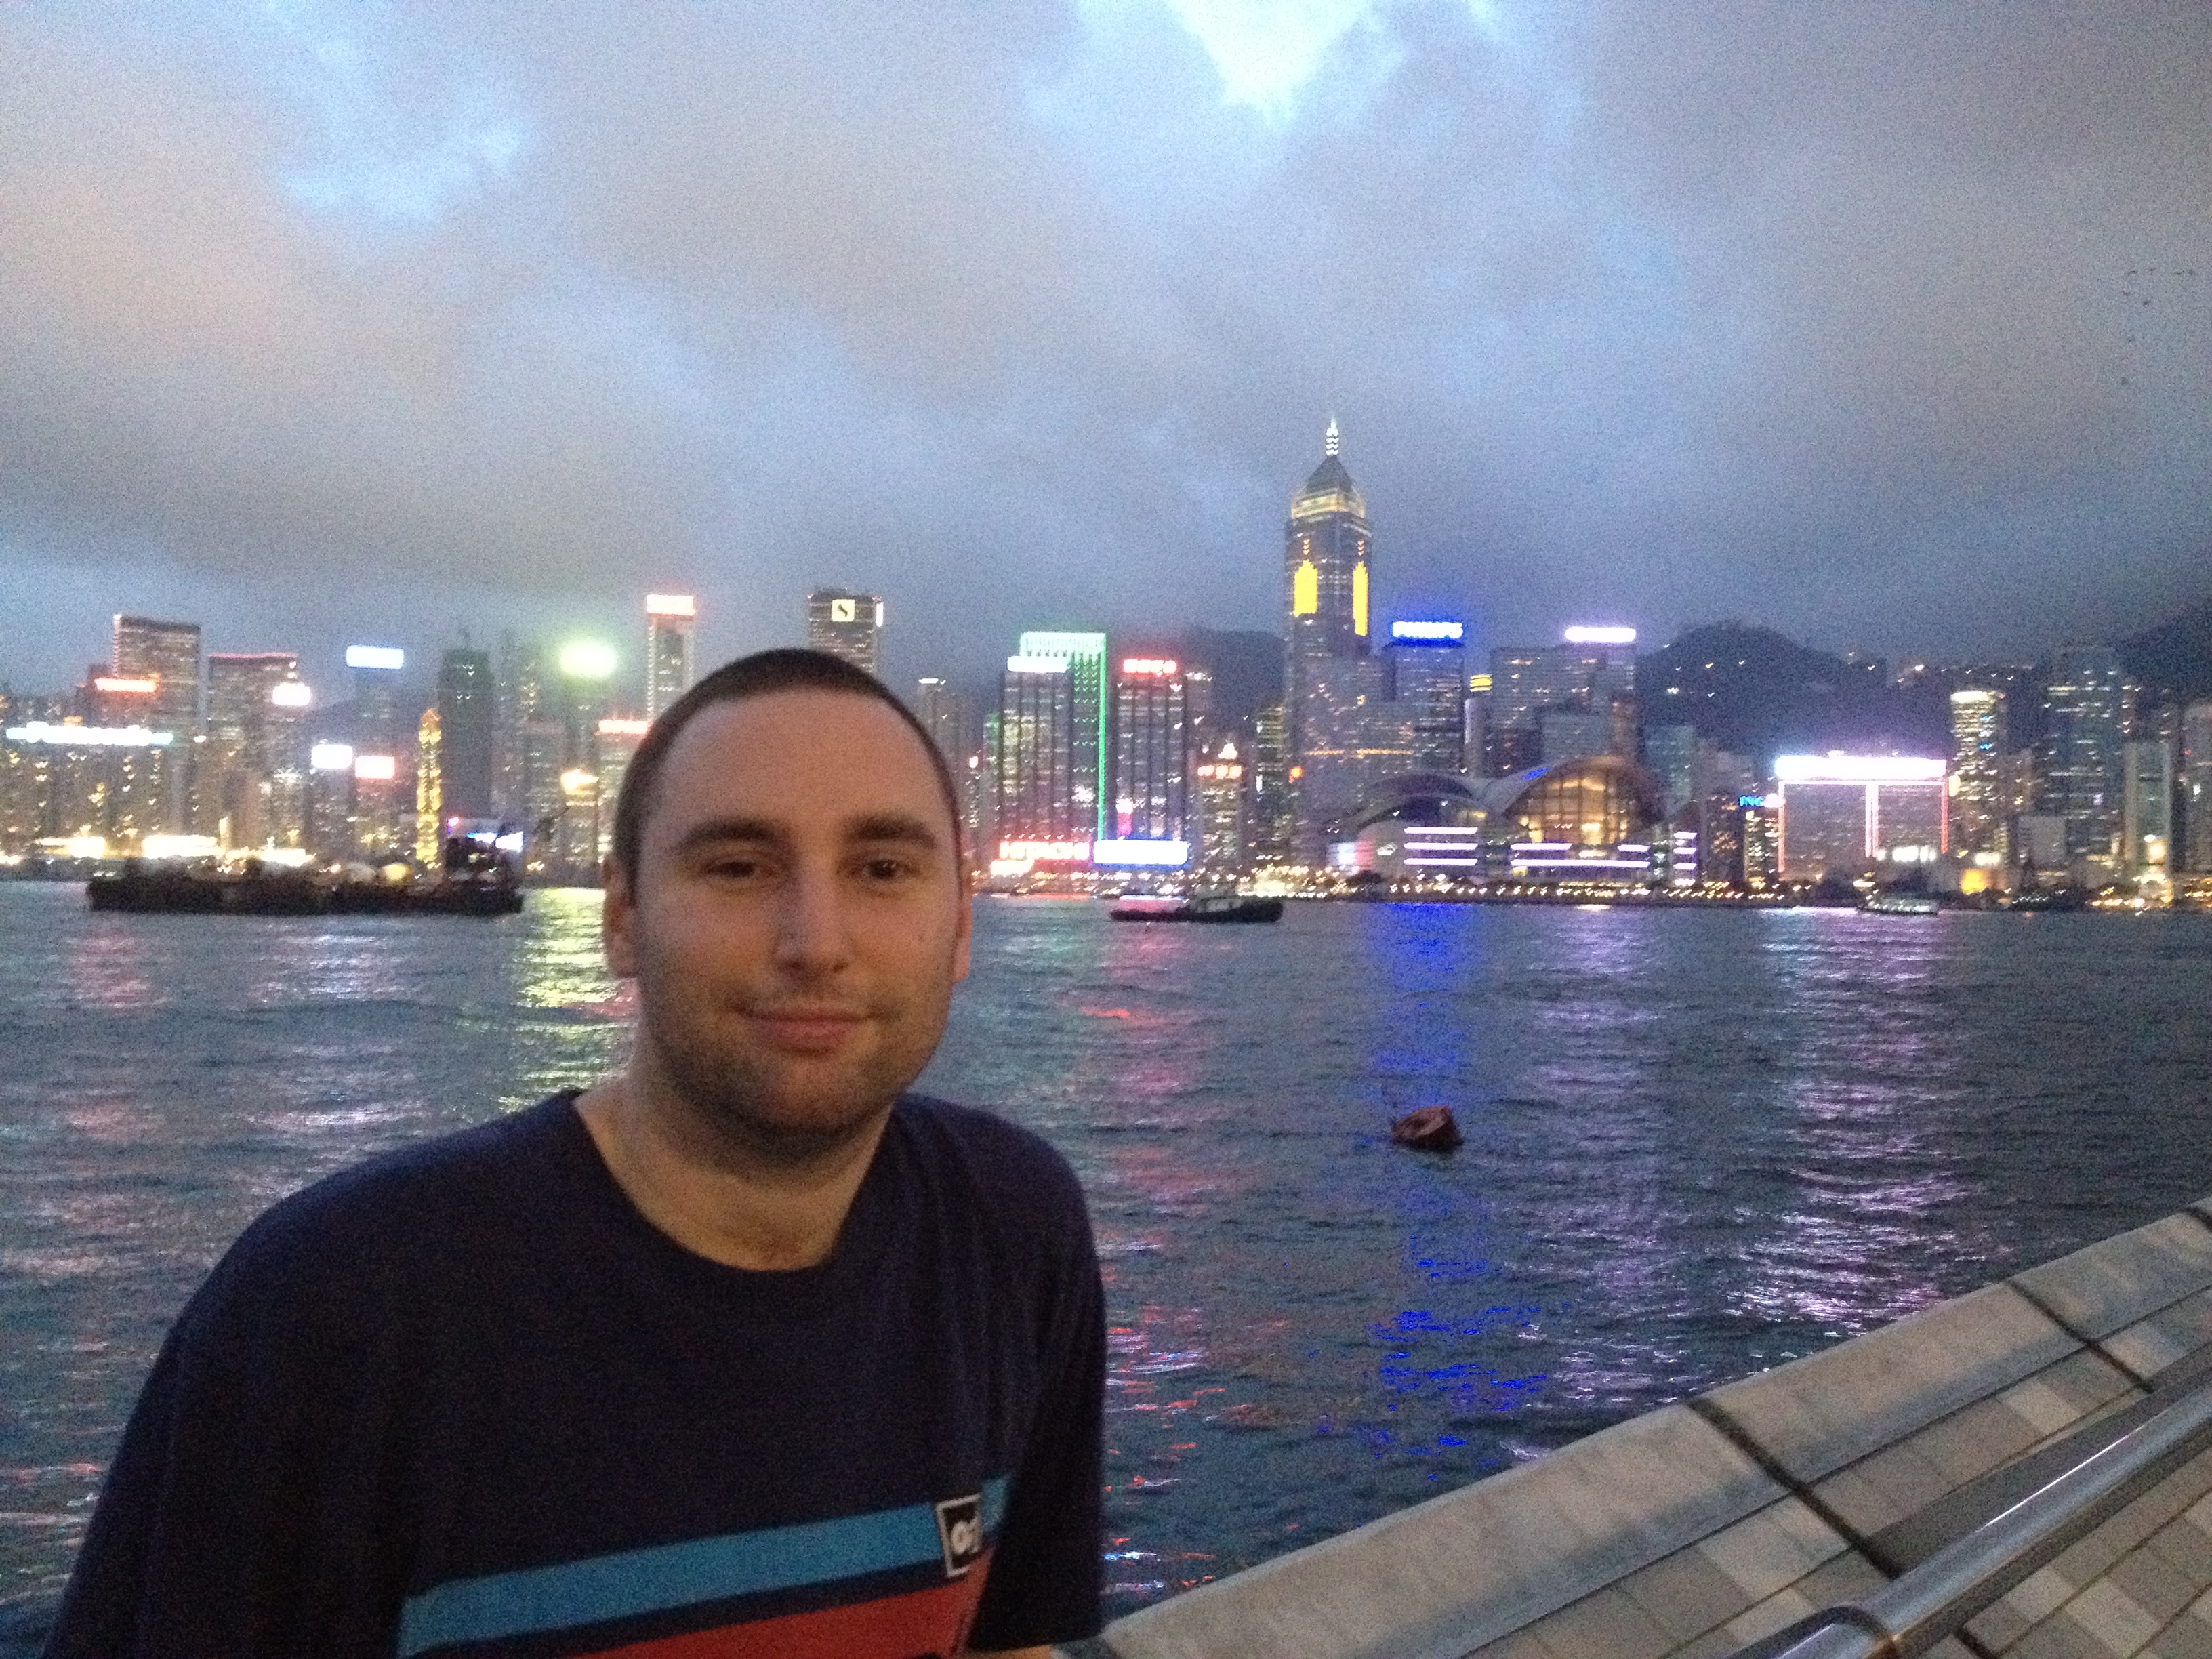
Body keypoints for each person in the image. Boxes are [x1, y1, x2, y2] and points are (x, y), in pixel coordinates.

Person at [47, 649, 1105, 1658]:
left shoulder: (1014, 1232)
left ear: (960, 926)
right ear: (622, 918)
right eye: (738, 867)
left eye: (882, 868)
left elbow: (1012, 1640)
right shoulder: (335, 1308)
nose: (815, 942)